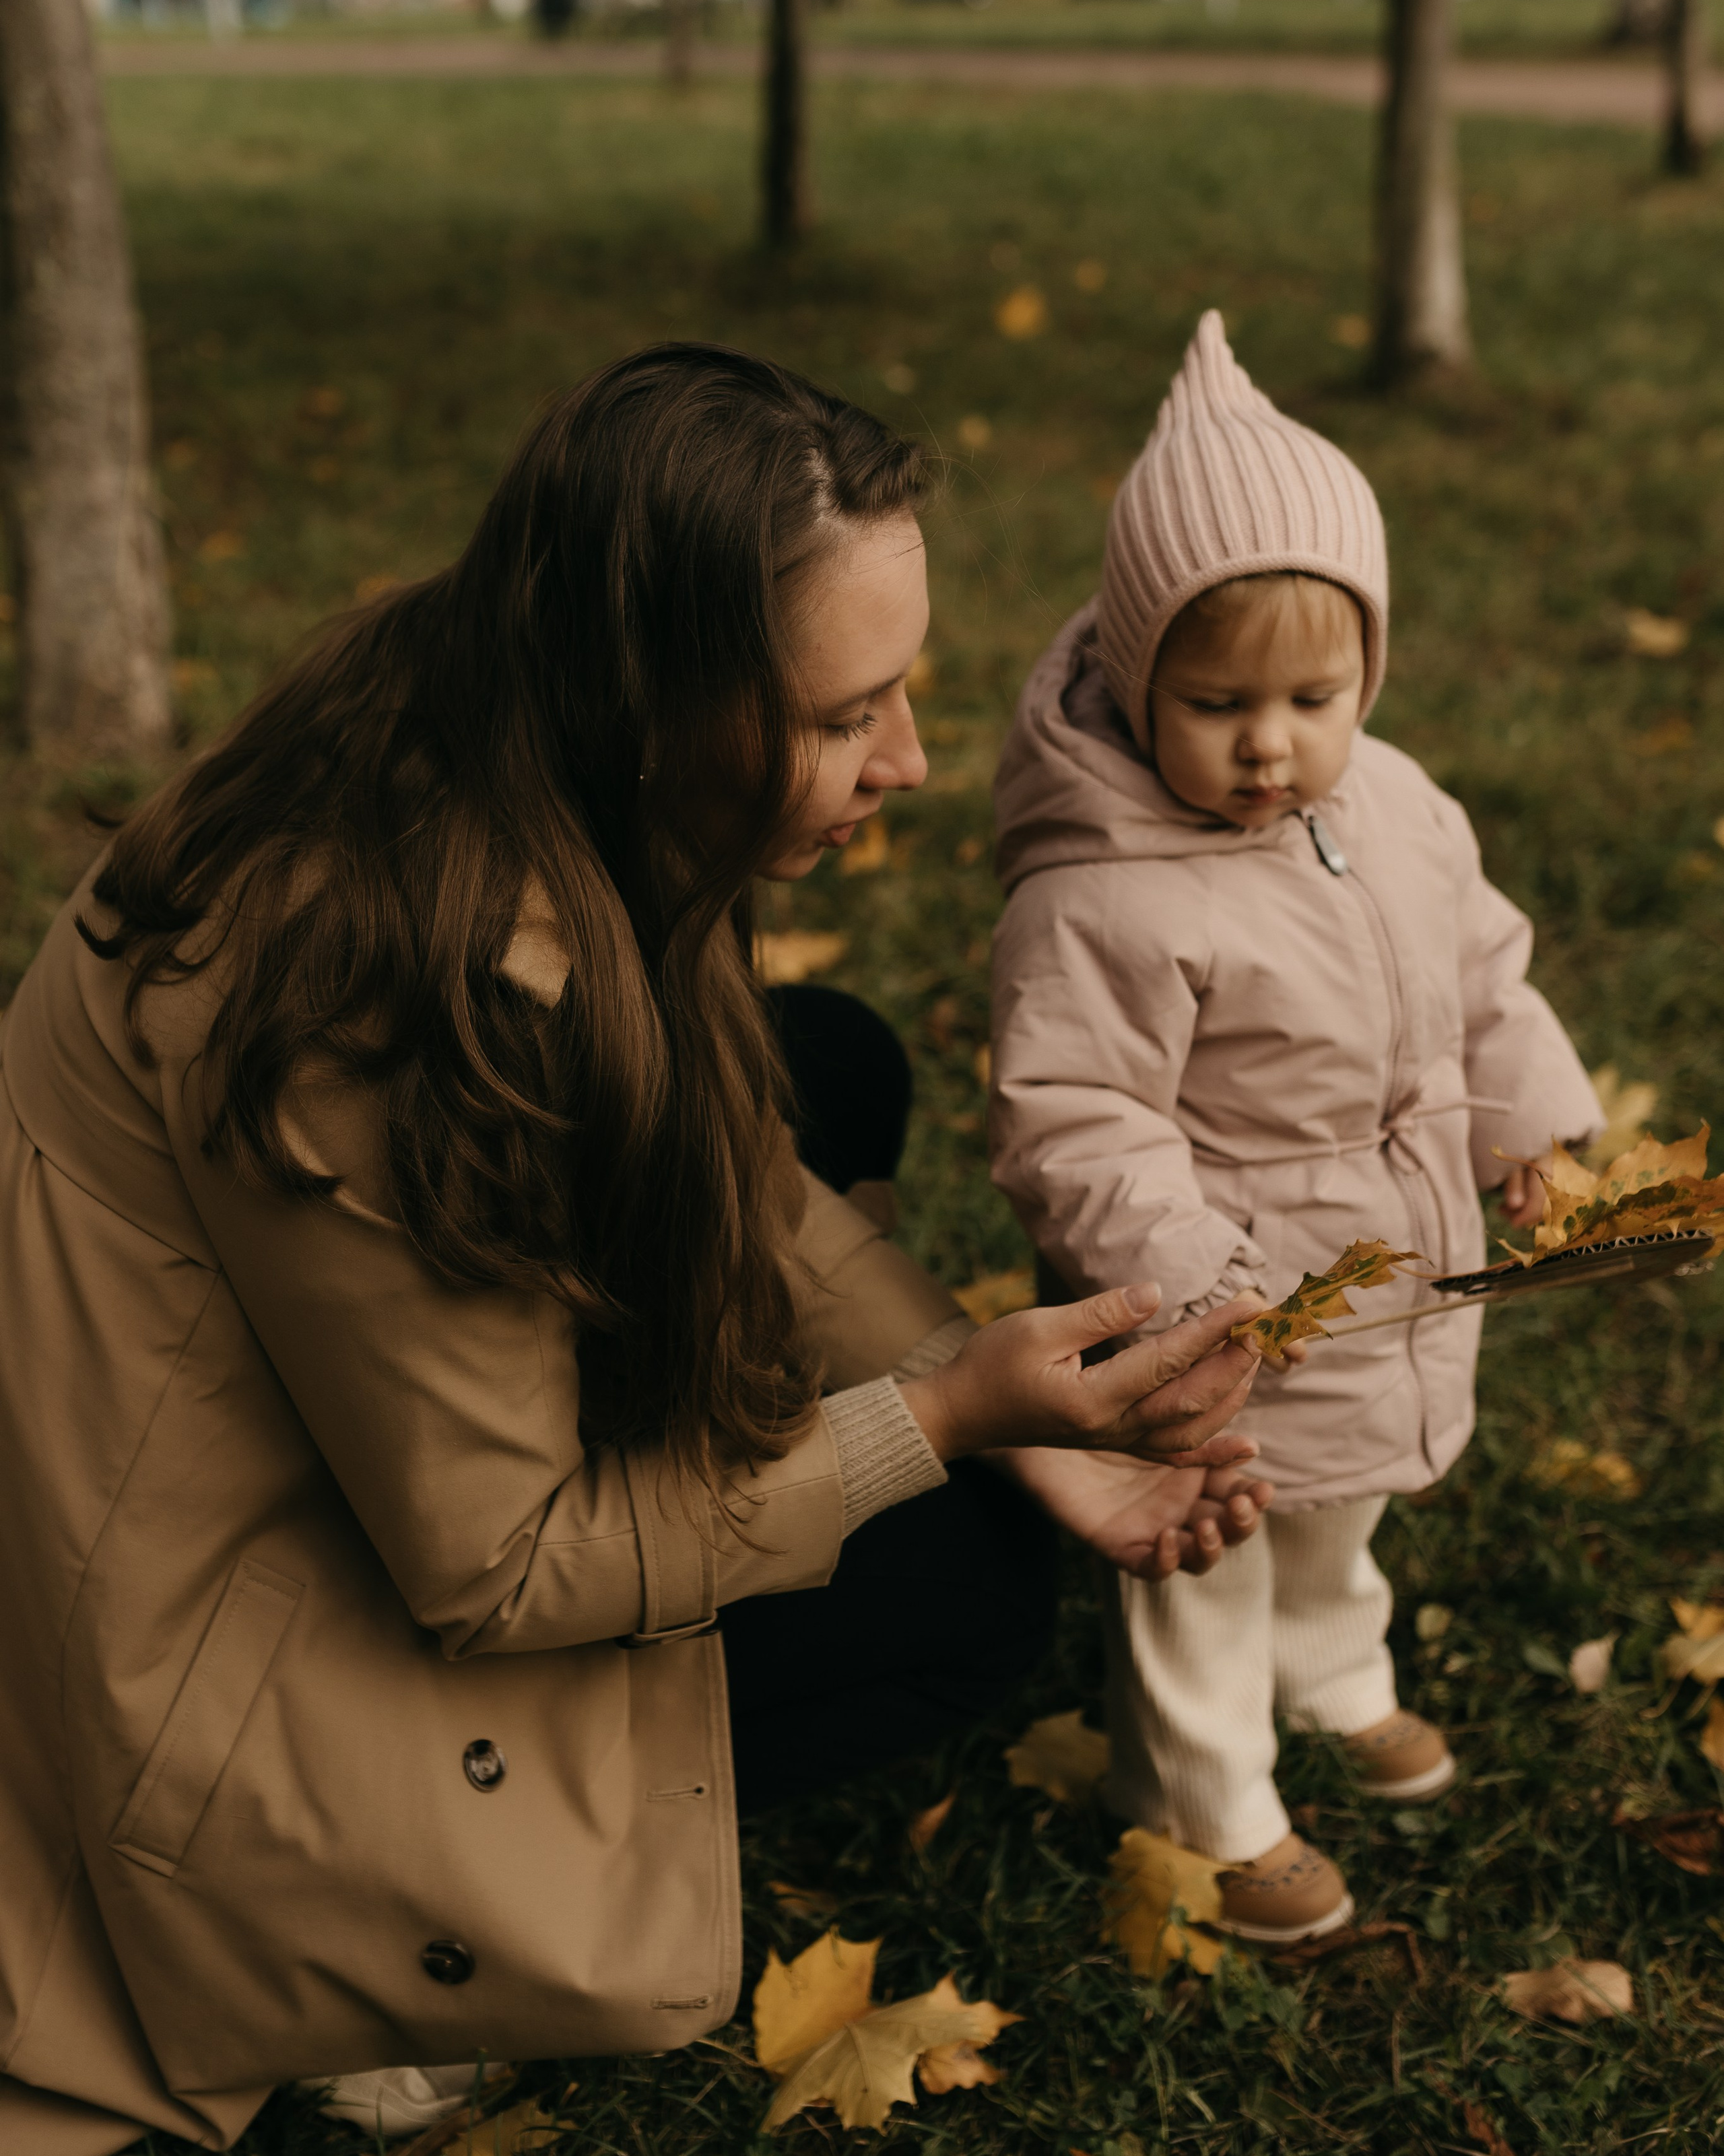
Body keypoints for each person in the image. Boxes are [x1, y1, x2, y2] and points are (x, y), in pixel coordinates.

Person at [0, 343, 1275, 2154]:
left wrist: (1032, 1412)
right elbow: (502, 1566)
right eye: (847, 717)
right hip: (202, 1656)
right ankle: (357, 1953)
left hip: (228, 1421)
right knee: (968, 1582)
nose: (905, 758)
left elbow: (733, 1147)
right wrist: (941, 1421)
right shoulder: (397, 1010)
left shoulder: (468, 697)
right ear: (654, 704)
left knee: (823, 1070)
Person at [987, 313, 1602, 1946]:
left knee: (1339, 1503)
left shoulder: (1392, 802)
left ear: (1366, 675)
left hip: (1376, 1259)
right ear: (1132, 679)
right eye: (1216, 701)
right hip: (1212, 1295)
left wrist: (1525, 1117)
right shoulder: (1102, 894)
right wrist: (1197, 1276)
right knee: (1212, 1530)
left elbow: (1478, 965)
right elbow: (1074, 1114)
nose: (1270, 742)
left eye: (1312, 695)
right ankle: (1201, 1789)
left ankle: (1330, 1668)